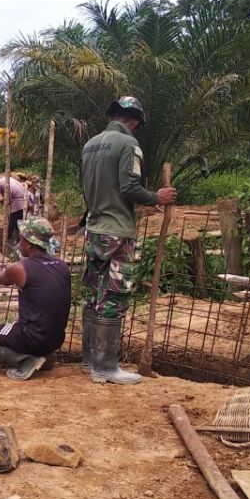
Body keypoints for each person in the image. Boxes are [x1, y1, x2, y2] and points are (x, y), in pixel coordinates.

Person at [79, 96, 177, 384]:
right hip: (118, 230)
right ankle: (106, 366)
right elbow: (129, 186)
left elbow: (87, 185)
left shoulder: (90, 145)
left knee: (94, 292)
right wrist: (156, 197)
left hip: (94, 228)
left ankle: (89, 360)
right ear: (134, 121)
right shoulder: (128, 145)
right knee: (114, 292)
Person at [0, 218, 70, 381]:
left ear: (29, 244)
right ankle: (41, 356)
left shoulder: (20, 268)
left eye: (21, 239)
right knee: (15, 326)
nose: (19, 243)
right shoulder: (62, 266)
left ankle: (25, 360)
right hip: (56, 339)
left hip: (32, 335)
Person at [0, 171, 27, 254]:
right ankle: (17, 246)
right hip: (25, 202)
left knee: (11, 228)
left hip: (18, 205)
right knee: (19, 226)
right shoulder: (7, 180)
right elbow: (5, 198)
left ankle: (11, 250)